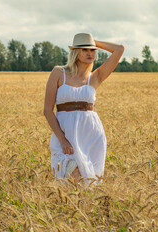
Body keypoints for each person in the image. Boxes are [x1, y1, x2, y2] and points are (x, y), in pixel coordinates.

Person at [43, 33, 124, 185]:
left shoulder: (95, 77)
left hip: (91, 137)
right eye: (85, 49)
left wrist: (94, 43)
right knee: (72, 178)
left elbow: (119, 49)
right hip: (65, 136)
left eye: (92, 50)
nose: (89, 53)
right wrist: (62, 139)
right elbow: (47, 110)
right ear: (75, 52)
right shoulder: (58, 73)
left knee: (86, 185)